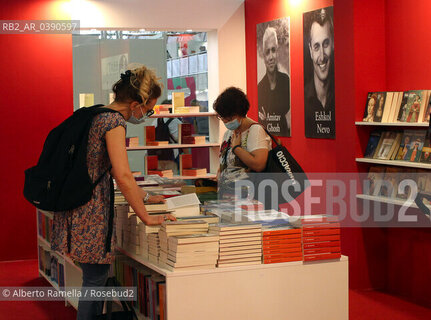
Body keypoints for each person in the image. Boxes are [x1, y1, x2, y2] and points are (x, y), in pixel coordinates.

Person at [51, 65, 176, 320]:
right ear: (135, 104)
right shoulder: (113, 122)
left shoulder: (97, 113)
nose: (147, 115)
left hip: (78, 206)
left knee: (92, 278)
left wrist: (143, 196)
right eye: (148, 109)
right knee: (95, 280)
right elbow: (123, 175)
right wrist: (147, 217)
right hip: (92, 210)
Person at [215, 87, 272, 199]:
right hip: (227, 197)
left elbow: (259, 165)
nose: (225, 121)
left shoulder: (255, 131)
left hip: (250, 198)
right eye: (222, 117)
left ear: (240, 113)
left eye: (229, 117)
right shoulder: (229, 133)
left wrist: (237, 148)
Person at [304, 8, 335, 138]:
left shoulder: (343, 98)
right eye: (316, 47)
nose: (322, 56)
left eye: (326, 44)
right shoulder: (303, 100)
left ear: (333, 43)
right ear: (310, 50)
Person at [258, 26, 291, 137]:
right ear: (263, 56)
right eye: (267, 52)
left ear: (277, 52)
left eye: (273, 50)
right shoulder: (260, 88)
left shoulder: (286, 82)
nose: (271, 57)